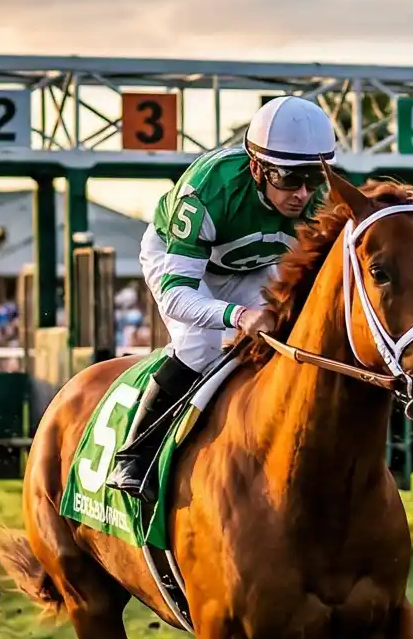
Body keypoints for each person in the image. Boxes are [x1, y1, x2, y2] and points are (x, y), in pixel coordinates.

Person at [104, 94, 332, 499]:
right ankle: (135, 454)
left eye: (313, 178)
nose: (302, 193)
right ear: (257, 167)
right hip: (180, 263)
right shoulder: (209, 190)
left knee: (284, 342)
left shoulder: (317, 200)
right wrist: (239, 316)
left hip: (251, 267)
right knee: (200, 344)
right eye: (288, 178)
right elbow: (177, 296)